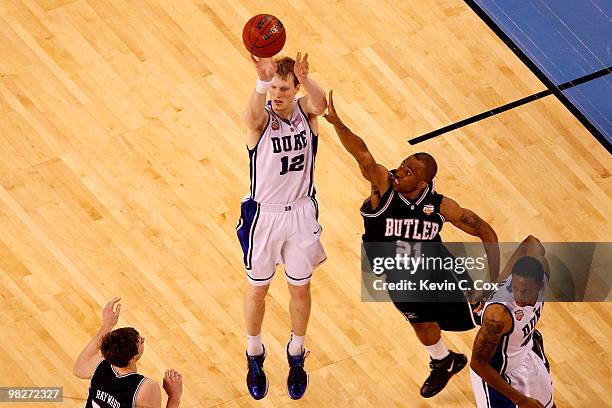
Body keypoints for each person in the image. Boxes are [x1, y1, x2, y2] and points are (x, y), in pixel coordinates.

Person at [323, 89, 500, 398]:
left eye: (408, 171)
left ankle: (512, 352)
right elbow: (362, 153)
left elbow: (485, 230)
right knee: (421, 324)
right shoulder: (383, 186)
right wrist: (338, 123)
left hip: (438, 270)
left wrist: (494, 277)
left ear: (422, 183)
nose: (399, 171)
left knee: (482, 318)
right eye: (402, 164)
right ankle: (443, 361)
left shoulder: (440, 206)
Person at [237, 52, 327, 400]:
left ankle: (296, 353)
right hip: (265, 216)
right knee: (258, 290)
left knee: (300, 290)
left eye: (283, 88)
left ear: (294, 89)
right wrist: (260, 82)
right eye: (273, 87)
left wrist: (308, 79)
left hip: (301, 214)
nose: (277, 94)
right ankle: (254, 352)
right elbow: (249, 116)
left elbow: (320, 104)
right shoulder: (262, 119)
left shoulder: (306, 112)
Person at [470, 235, 554, 408]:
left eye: (525, 290)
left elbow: (531, 241)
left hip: (526, 355)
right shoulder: (498, 315)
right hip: (497, 374)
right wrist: (521, 400)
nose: (519, 296)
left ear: (540, 285)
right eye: (514, 288)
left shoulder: (542, 271)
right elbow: (478, 364)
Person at [73, 298, 183, 408]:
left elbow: (79, 369)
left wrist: (107, 325)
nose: (143, 339)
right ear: (131, 358)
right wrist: (174, 397)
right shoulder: (145, 388)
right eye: (140, 341)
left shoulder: (100, 364)